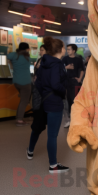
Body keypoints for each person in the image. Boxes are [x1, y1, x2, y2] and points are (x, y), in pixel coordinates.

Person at [26, 36, 69, 173]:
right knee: (52, 135)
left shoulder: (43, 63)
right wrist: (64, 92)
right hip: (54, 103)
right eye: (64, 47)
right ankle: (53, 166)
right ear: (61, 49)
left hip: (44, 102)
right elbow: (56, 85)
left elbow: (38, 83)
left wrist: (45, 94)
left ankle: (30, 151)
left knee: (39, 129)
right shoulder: (57, 64)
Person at [7, 42, 32, 127]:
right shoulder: (27, 56)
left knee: (22, 100)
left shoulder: (13, 55)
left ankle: (19, 117)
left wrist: (11, 64)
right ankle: (19, 120)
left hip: (16, 82)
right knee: (24, 101)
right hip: (26, 82)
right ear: (27, 49)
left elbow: (8, 56)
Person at [62, 44, 85, 127]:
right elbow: (60, 68)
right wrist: (66, 67)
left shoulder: (78, 60)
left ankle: (75, 119)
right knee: (67, 100)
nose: (67, 51)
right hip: (65, 81)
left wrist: (79, 79)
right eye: (67, 49)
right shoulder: (65, 59)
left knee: (74, 100)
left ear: (73, 51)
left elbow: (82, 70)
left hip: (74, 81)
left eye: (69, 49)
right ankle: (69, 119)